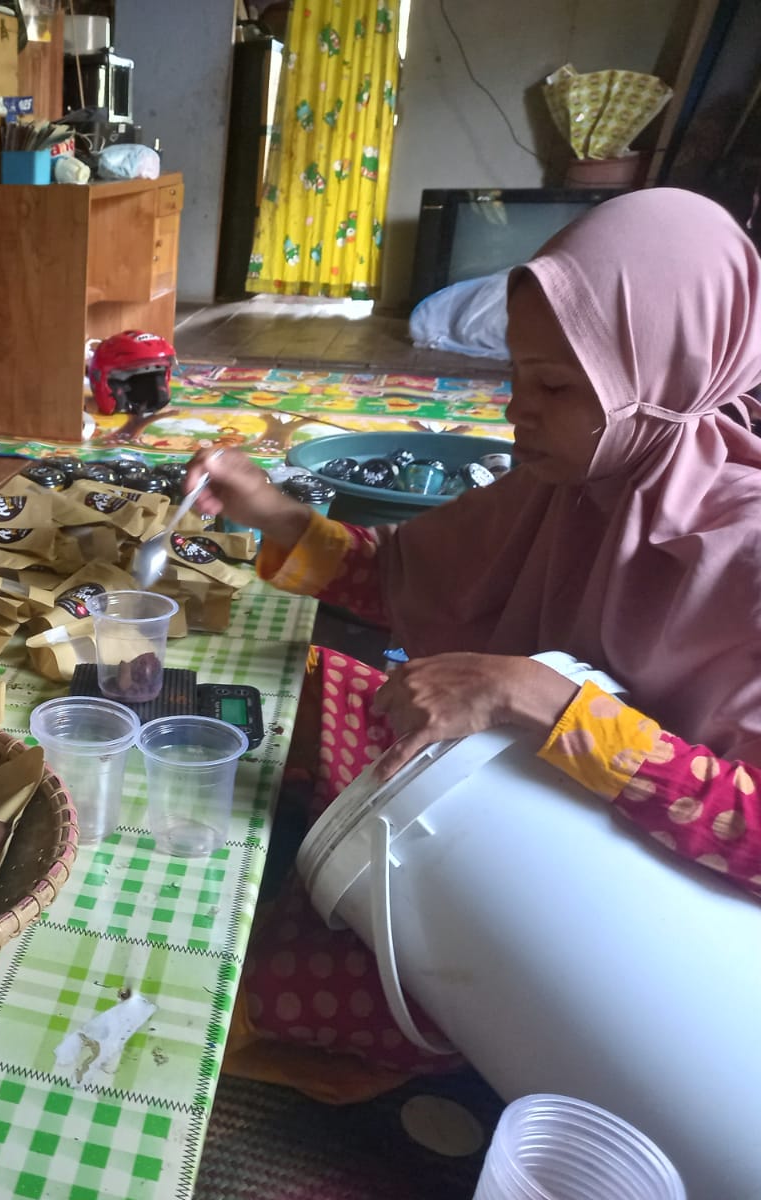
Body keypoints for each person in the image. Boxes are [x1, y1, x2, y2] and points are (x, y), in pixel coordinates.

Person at [185, 188, 761, 1081]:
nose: (516, 410)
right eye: (516, 375)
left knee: (242, 1000)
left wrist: (546, 700)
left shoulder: (743, 558)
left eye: (556, 386)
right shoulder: (569, 482)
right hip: (520, 804)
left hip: (642, 919)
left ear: (665, 378)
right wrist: (269, 509)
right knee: (291, 692)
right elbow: (405, 580)